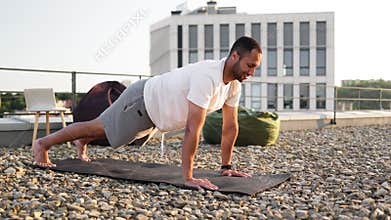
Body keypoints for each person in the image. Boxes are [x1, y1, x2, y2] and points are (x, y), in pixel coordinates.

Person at [33, 36, 262, 190]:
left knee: (118, 138)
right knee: (99, 126)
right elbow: (194, 128)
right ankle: (43, 145)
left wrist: (226, 168)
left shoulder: (233, 85)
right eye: (249, 65)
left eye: (255, 67)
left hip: (153, 112)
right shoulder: (208, 77)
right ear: (234, 57)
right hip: (142, 100)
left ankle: (82, 140)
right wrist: (188, 178)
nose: (251, 72)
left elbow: (230, 127)